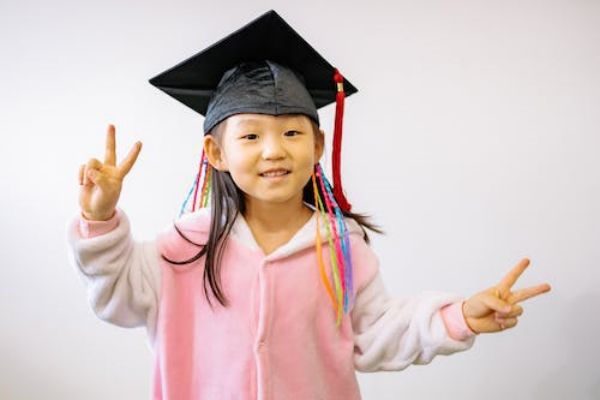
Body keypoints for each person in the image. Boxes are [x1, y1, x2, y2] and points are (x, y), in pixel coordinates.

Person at [66, 9, 552, 400]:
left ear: (318, 145)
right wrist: (99, 219)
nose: (273, 151)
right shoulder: (185, 245)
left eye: (292, 133)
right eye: (251, 136)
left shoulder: (339, 247)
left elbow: (378, 333)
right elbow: (116, 298)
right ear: (216, 153)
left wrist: (459, 316)